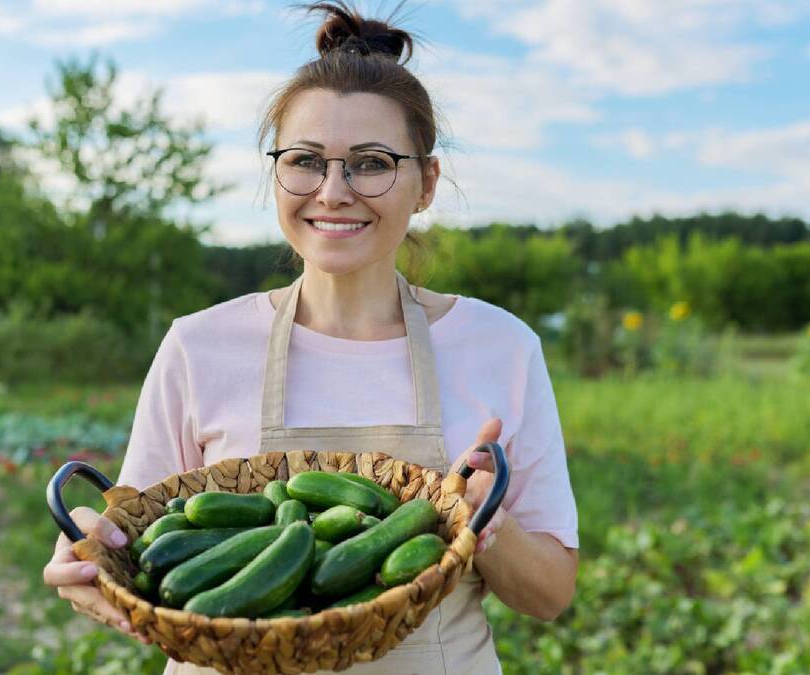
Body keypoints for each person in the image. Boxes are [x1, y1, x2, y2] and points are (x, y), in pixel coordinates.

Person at [43, 2, 579, 672]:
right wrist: (91, 562)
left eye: (371, 162)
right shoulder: (198, 346)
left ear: (426, 184)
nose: (332, 191)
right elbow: (135, 555)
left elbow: (552, 593)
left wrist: (483, 524)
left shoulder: (500, 345)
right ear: (277, 174)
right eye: (304, 161)